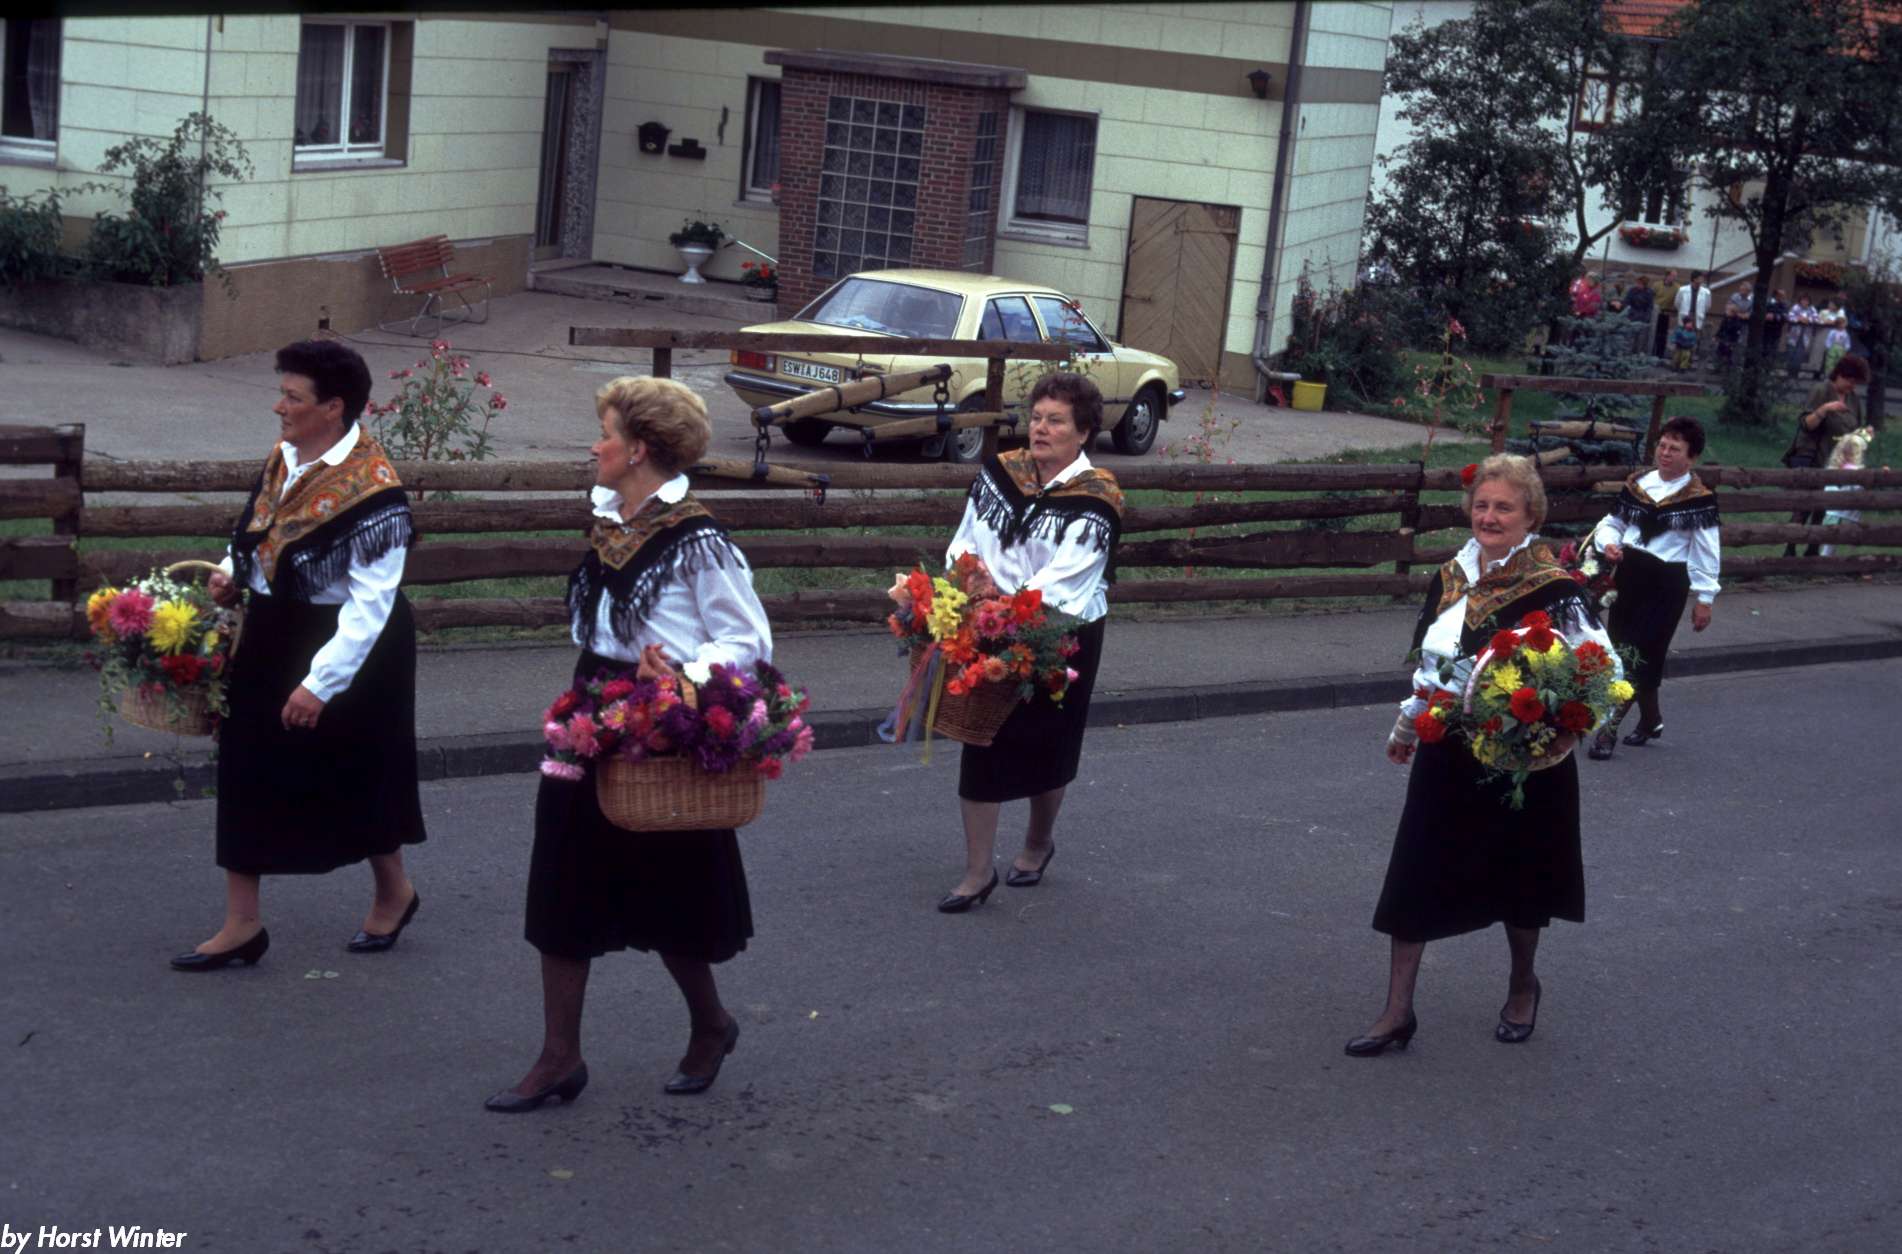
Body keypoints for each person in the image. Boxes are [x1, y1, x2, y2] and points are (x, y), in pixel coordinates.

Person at [489, 377, 772, 1110]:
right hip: (590, 711)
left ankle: (711, 1023)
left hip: (660, 721)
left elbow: (748, 640)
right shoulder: (612, 521)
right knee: (561, 879)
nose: (595, 446)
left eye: (607, 434)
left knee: (669, 887)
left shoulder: (697, 540)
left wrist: (682, 673)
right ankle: (559, 1058)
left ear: (639, 448)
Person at [1346, 455, 1619, 1056]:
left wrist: (1568, 726)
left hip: (1523, 760)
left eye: (1504, 507)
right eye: (1482, 505)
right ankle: (1397, 1011)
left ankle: (1523, 985)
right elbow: (1430, 669)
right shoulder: (1450, 577)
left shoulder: (1556, 588)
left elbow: (1604, 670)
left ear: (1530, 516)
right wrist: (1408, 724)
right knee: (1415, 873)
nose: (1489, 516)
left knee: (1521, 879)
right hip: (1447, 749)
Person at [178, 340, 424, 971]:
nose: (279, 407)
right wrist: (234, 573)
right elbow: (261, 531)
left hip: (353, 646)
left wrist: (320, 684)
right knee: (245, 765)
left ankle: (394, 891)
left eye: (292, 397)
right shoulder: (285, 457)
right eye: (282, 393)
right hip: (274, 629)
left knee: (359, 770)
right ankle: (242, 924)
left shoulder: (375, 491)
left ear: (333, 407)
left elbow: (371, 604)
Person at [935, 371, 1124, 912]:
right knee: (982, 742)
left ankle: (1039, 843)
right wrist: (969, 578)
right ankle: (977, 873)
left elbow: (1065, 580)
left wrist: (1006, 606)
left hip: (1062, 632)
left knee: (1048, 746)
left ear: (1082, 432)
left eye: (1055, 421)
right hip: (986, 624)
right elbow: (965, 538)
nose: (1040, 428)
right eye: (1037, 417)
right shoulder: (1001, 472)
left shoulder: (1098, 498)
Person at [1587, 416, 1720, 758]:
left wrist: (1705, 598)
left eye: (1675, 449)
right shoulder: (1639, 485)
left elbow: (1706, 551)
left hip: (1666, 585)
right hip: (1629, 577)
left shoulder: (1699, 499)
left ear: (1692, 458)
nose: (1665, 453)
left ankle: (1608, 730)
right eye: (1662, 445)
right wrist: (1609, 543)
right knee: (1623, 653)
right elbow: (1613, 522)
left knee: (1641, 656)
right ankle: (1651, 721)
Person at [1782, 354, 1870, 556]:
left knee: (1825, 507)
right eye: (1850, 380)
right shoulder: (1822, 390)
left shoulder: (1854, 399)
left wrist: (1863, 437)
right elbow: (1806, 424)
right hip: (1814, 456)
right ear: (1840, 375)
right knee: (1805, 504)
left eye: (1855, 382)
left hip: (1838, 461)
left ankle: (1813, 550)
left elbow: (1857, 429)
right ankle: (1790, 548)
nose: (1852, 386)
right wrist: (1825, 409)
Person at [1784, 294, 1818, 378]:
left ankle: (1795, 374)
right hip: (1793, 335)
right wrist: (1798, 319)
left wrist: (1808, 320)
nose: (1805, 302)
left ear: (1809, 302)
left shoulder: (1812, 309)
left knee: (1799, 355)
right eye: (1803, 300)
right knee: (1791, 353)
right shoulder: (1796, 307)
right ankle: (1789, 373)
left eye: (1806, 300)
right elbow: (1789, 316)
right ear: (1800, 300)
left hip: (1805, 336)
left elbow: (1816, 319)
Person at [1820, 297, 1852, 379]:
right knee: (1827, 360)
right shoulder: (1824, 312)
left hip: (1840, 348)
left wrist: (1846, 348)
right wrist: (1828, 346)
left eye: (1832, 304)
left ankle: (1835, 376)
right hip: (1828, 342)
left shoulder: (1841, 314)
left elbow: (1847, 341)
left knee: (1837, 362)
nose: (1830, 305)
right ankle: (1825, 374)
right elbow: (1819, 319)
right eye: (1829, 304)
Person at [1622, 276, 1655, 354]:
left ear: (1644, 284)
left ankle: (1637, 353)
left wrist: (1646, 318)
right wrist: (1629, 312)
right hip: (1632, 315)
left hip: (1642, 317)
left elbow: (1650, 306)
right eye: (1638, 283)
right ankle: (1627, 352)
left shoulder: (1649, 293)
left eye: (1640, 284)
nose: (1638, 285)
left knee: (1640, 338)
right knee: (1629, 336)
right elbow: (1627, 301)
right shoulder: (1632, 290)